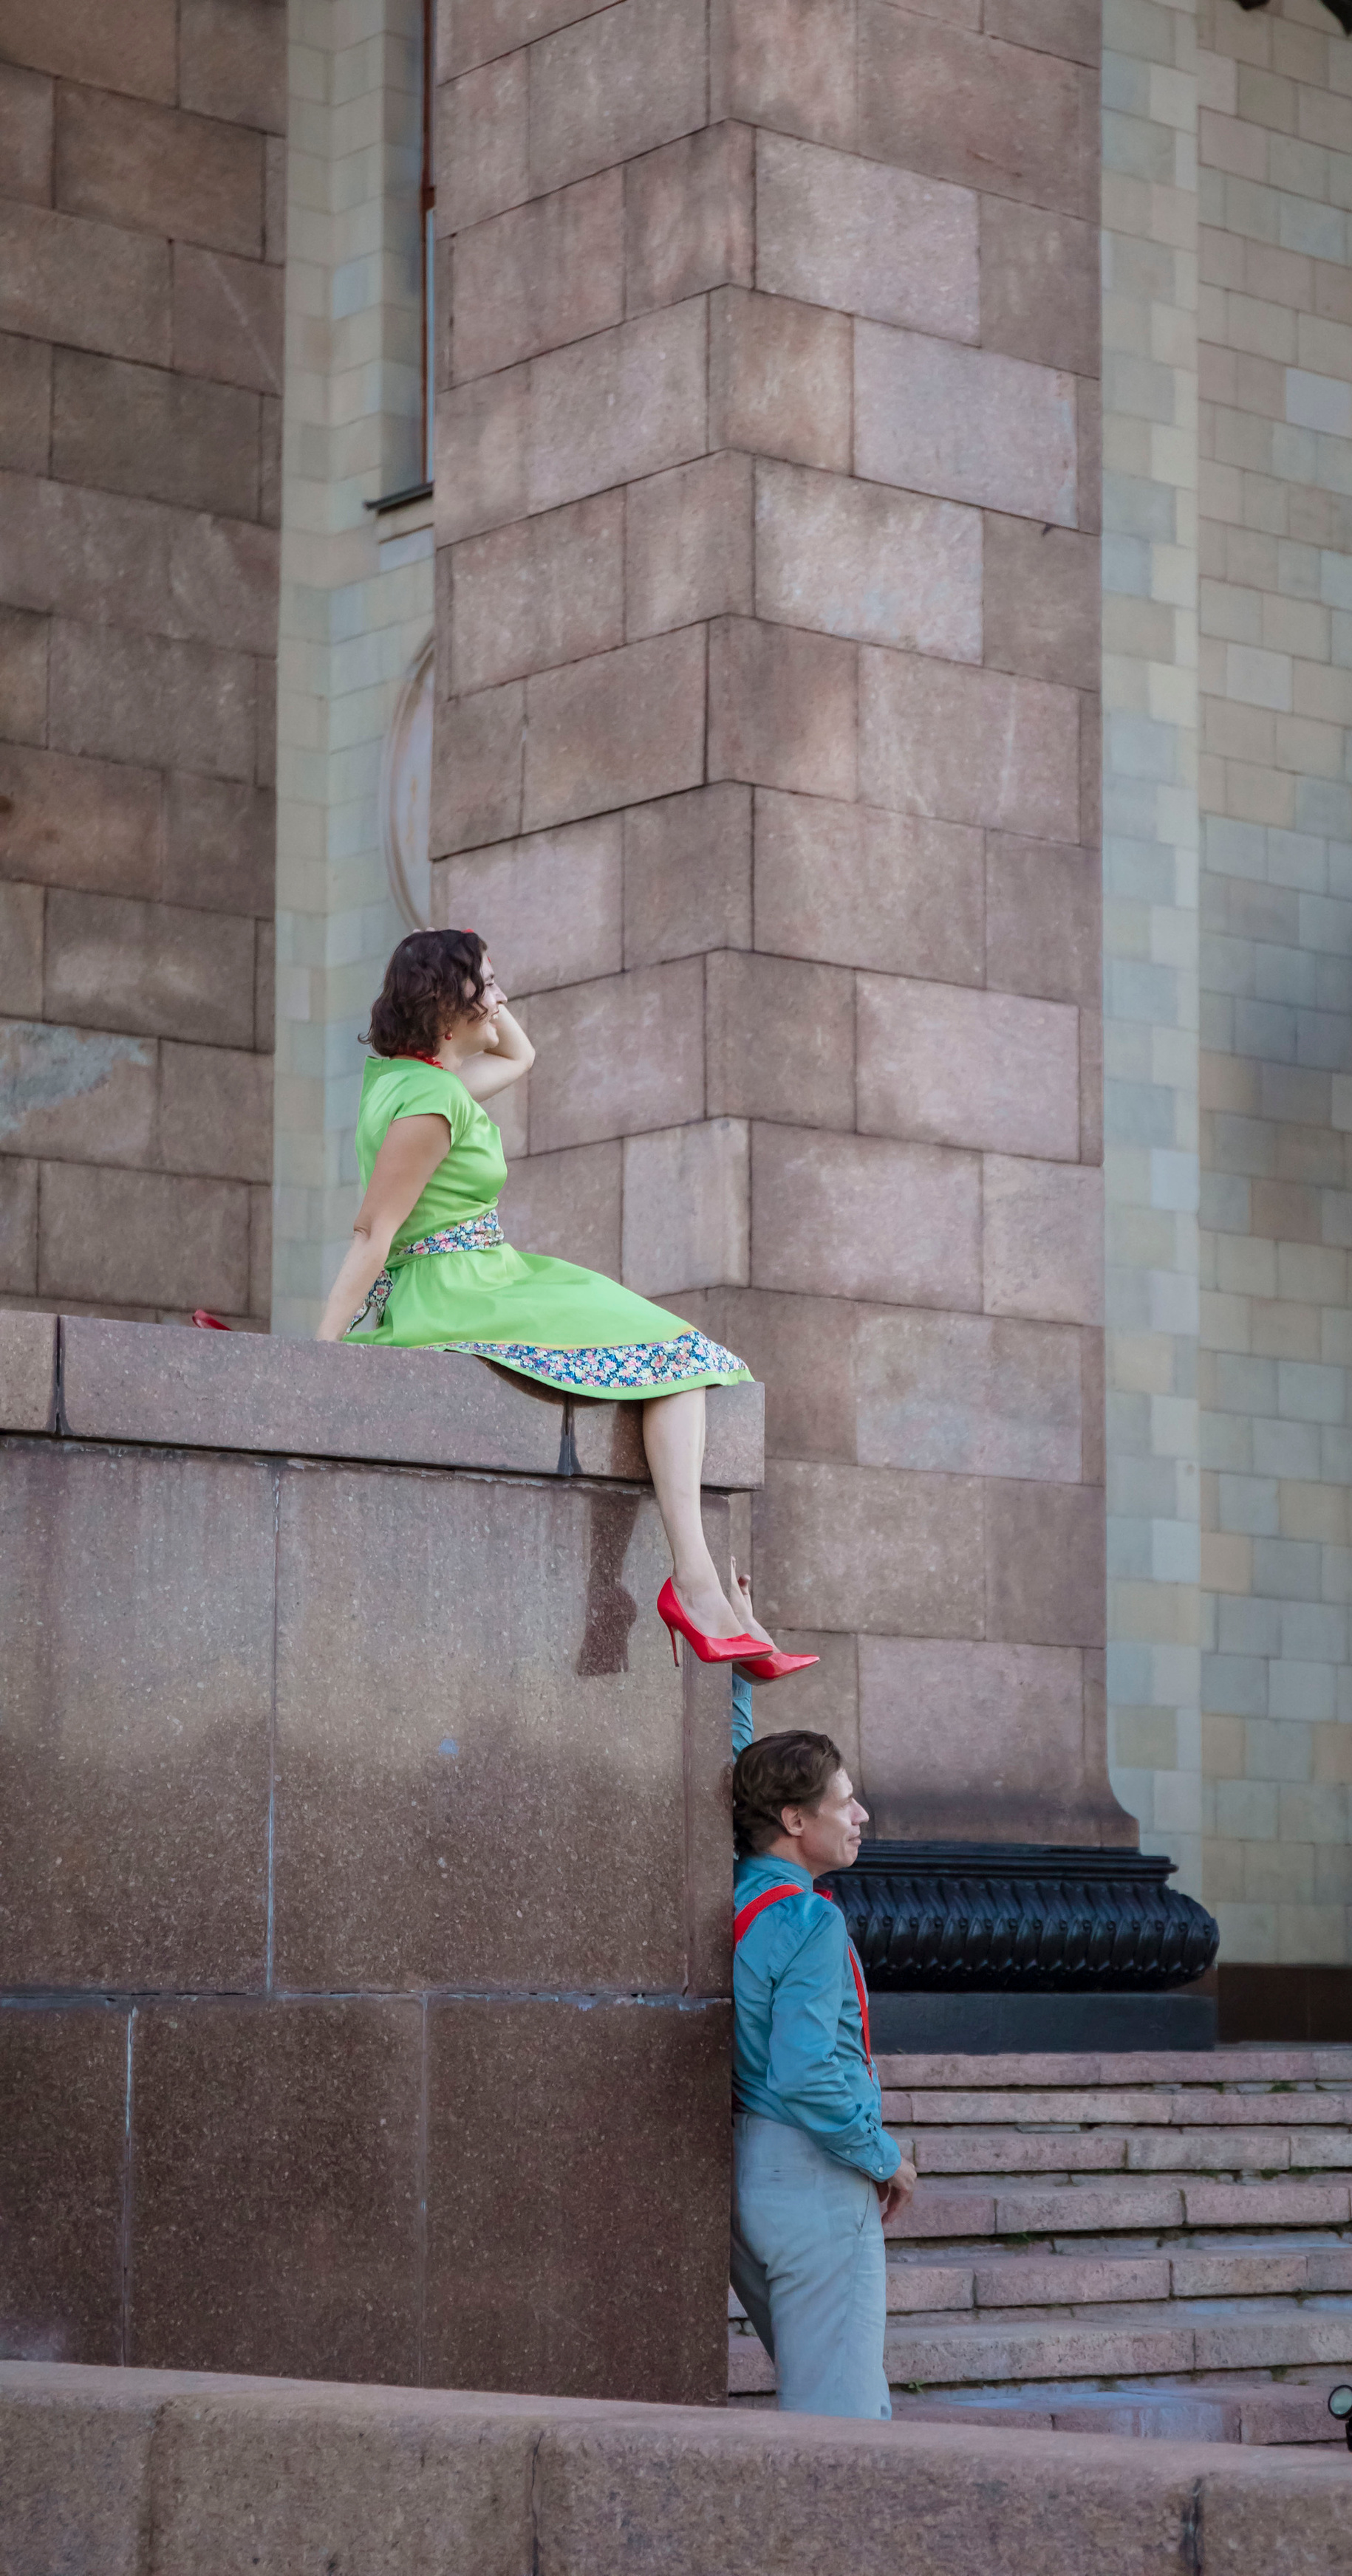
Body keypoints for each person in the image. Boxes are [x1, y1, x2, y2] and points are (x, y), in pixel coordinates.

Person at [316, 926, 812, 1678]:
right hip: (457, 1291)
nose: (503, 996)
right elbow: (372, 1233)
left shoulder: (421, 1082)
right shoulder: (427, 1102)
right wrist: (317, 1357)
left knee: (690, 1358)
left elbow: (520, 1055)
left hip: (493, 1274)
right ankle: (697, 1588)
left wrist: (471, 981)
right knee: (682, 1357)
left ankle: (715, 1595)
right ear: (448, 1008)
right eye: (488, 984)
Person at [728, 1727, 918, 2420]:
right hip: (812, 2176)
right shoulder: (810, 1919)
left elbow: (731, 1768)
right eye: (845, 1800)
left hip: (745, 2171)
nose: (861, 1814)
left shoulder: (731, 1890)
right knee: (843, 2423)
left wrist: (739, 1673)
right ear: (795, 1819)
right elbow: (807, 2073)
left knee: (823, 2399)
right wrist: (883, 2158)